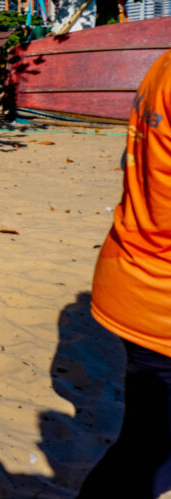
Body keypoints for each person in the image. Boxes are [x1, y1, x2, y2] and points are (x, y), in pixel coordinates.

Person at [79, 49, 171, 497]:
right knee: (147, 453)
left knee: (145, 446)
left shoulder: (163, 65)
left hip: (133, 274)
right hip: (158, 299)